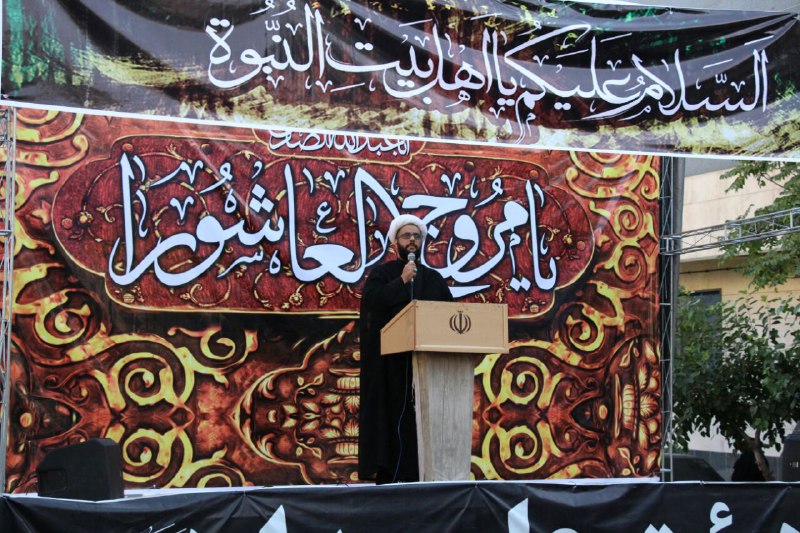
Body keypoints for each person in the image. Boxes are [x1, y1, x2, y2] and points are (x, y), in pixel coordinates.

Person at [357, 214, 453, 484]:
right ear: (395, 243)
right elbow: (371, 305)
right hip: (390, 368)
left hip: (427, 367)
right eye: (406, 236)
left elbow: (449, 316)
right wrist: (401, 281)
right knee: (390, 422)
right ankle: (389, 479)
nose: (412, 240)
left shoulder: (433, 279)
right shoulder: (382, 274)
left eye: (417, 236)